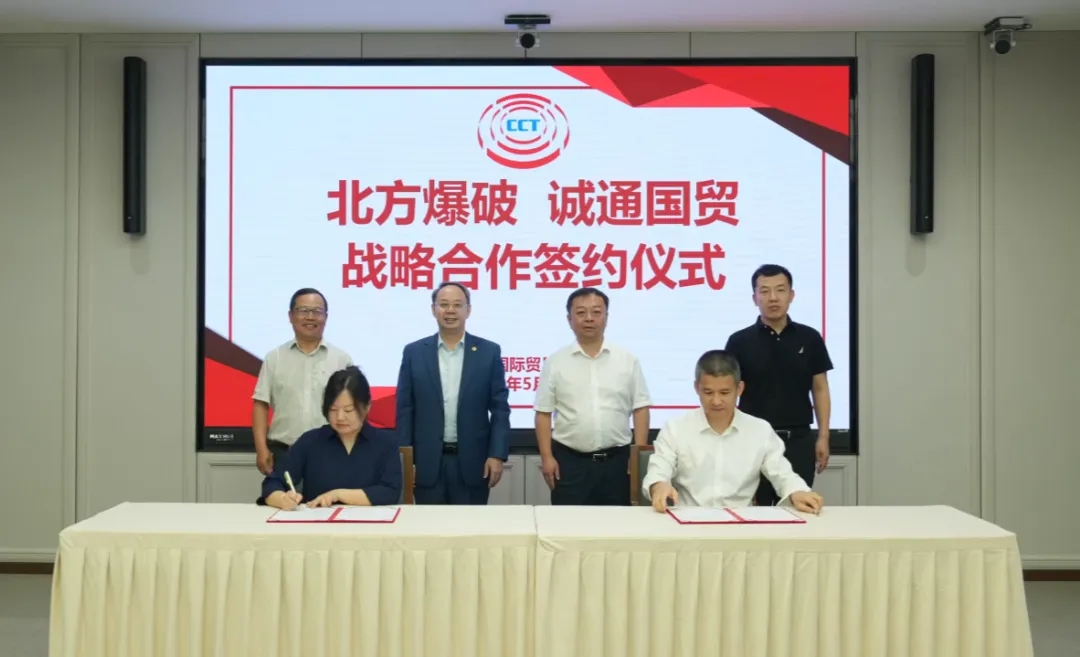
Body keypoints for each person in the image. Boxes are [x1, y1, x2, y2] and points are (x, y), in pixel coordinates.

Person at [643, 350, 824, 514]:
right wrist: (659, 486)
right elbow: (659, 469)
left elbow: (782, 473)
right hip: (687, 519)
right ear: (697, 388)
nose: (716, 401)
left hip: (741, 523)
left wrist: (797, 491)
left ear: (739, 389)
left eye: (724, 393)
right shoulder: (676, 428)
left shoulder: (759, 430)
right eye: (708, 392)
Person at [724, 264, 833, 506]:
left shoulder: (809, 338)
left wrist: (823, 436)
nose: (773, 297)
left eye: (780, 290)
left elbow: (820, 388)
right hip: (752, 441)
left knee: (799, 507)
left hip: (798, 440)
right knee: (755, 511)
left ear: (791, 295)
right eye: (764, 291)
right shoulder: (739, 341)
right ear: (755, 298)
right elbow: (727, 391)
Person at [395, 282, 511, 505]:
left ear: (468, 310)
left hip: (473, 463)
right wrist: (406, 461)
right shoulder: (414, 353)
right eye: (444, 305)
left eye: (457, 305)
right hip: (427, 464)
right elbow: (405, 410)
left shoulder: (488, 352)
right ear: (433, 309)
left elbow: (500, 409)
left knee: (470, 526)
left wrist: (496, 455)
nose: (450, 311)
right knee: (429, 526)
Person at [534, 287, 651, 506]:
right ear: (569, 319)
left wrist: (637, 457)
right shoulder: (556, 362)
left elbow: (641, 408)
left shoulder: (627, 360)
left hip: (618, 462)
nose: (589, 318)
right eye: (581, 312)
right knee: (567, 524)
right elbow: (543, 413)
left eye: (596, 312)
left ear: (606, 317)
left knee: (619, 524)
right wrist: (546, 457)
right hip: (569, 463)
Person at [261, 366, 402, 509]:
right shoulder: (310, 441)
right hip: (318, 522)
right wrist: (281, 498)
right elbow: (272, 483)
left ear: (367, 407)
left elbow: (390, 492)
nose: (340, 417)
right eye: (333, 409)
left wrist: (338, 495)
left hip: (370, 523)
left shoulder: (385, 443)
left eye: (348, 410)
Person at [252, 288, 353, 476]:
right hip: (284, 452)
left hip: (331, 452)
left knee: (331, 497)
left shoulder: (341, 360)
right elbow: (261, 404)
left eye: (317, 311)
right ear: (291, 316)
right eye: (303, 311)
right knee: (282, 496)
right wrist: (261, 449)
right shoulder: (274, 358)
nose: (310, 317)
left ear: (326, 317)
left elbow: (353, 410)